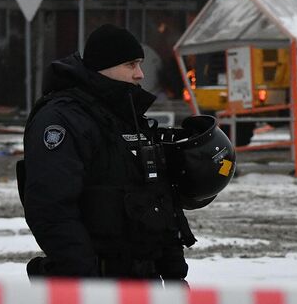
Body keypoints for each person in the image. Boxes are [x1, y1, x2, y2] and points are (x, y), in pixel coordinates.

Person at [19, 24, 195, 282]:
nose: (140, 74)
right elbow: (51, 210)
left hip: (142, 280)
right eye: (131, 65)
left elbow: (159, 198)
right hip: (94, 281)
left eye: (139, 64)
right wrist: (87, 281)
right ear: (103, 67)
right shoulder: (62, 119)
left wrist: (174, 274)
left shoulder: (128, 116)